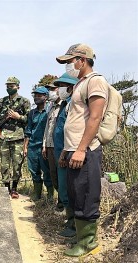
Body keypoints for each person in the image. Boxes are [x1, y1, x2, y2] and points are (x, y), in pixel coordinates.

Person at [56, 43, 108, 257]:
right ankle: (79, 236)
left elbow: (95, 117)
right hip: (73, 148)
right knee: (76, 193)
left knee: (86, 194)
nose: (69, 65)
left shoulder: (95, 81)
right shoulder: (80, 84)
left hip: (85, 150)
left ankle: (88, 242)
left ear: (82, 60)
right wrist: (67, 150)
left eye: (70, 61)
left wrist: (81, 149)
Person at [52, 73, 78, 238]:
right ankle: (70, 221)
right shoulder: (64, 104)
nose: (59, 89)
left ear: (70, 87)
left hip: (67, 154)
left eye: (62, 86)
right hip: (60, 153)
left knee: (70, 190)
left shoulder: (74, 105)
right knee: (63, 189)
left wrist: (64, 153)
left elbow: (72, 131)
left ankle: (74, 226)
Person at [0, 76, 30, 198]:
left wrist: (18, 117)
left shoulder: (24, 101)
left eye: (12, 86)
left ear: (18, 87)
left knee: (17, 165)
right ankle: (6, 188)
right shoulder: (2, 101)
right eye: (8, 86)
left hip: (17, 138)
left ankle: (14, 188)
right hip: (4, 137)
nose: (9, 88)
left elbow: (28, 120)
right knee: (4, 165)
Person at [23, 86, 52, 201]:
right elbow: (28, 130)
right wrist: (25, 147)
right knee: (33, 170)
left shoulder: (49, 112)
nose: (36, 97)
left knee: (47, 171)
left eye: (39, 95)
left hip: (44, 147)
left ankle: (50, 195)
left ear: (46, 97)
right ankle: (37, 193)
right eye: (35, 95)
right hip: (33, 146)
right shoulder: (32, 113)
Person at [42, 82, 62, 207]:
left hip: (59, 147)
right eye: (49, 89)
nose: (51, 92)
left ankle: (62, 204)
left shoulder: (64, 106)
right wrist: (44, 145)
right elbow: (47, 128)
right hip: (49, 146)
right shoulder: (51, 107)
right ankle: (59, 200)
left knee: (61, 177)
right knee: (53, 175)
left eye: (53, 89)